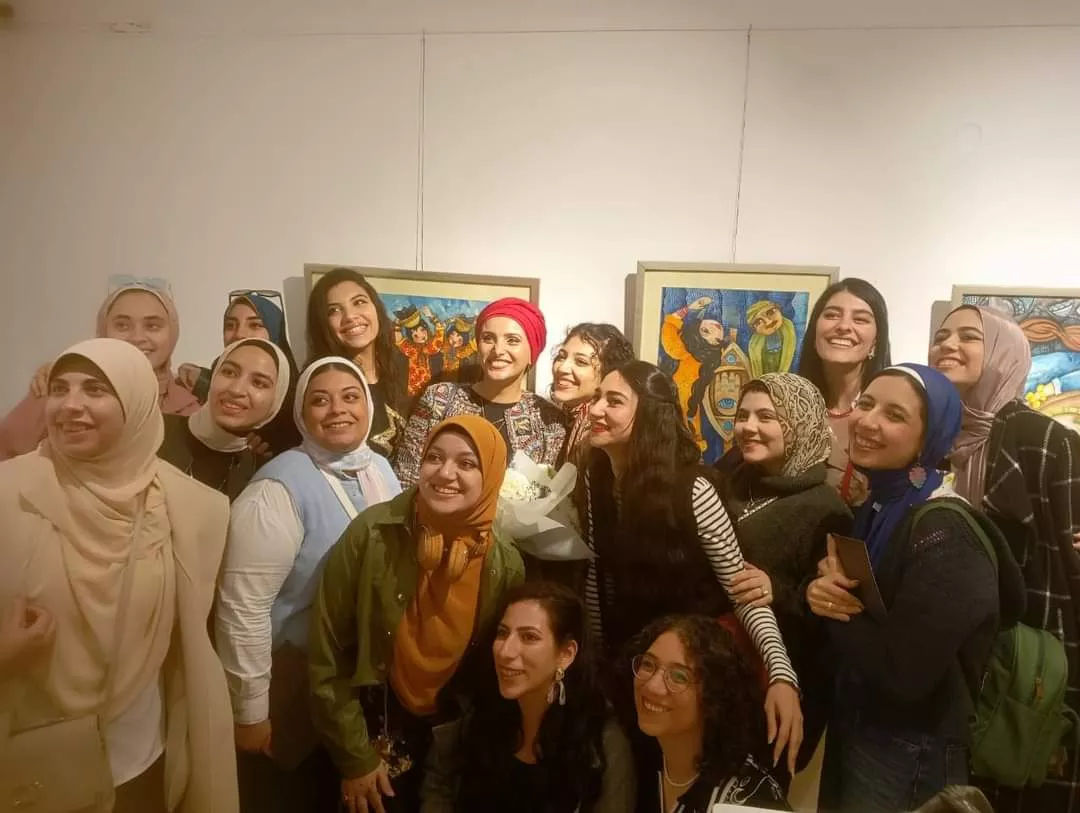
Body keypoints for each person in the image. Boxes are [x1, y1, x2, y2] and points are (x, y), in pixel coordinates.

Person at [0, 338, 238, 812]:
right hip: (31, 767)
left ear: (136, 402)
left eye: (94, 389)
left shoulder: (193, 509)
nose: (71, 405)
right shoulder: (9, 494)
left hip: (141, 758)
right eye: (60, 389)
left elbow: (188, 650)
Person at [806, 363, 1025, 813]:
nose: (868, 421)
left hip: (911, 750)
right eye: (866, 404)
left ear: (929, 438)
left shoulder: (943, 530)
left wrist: (832, 609)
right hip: (864, 726)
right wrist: (821, 591)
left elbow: (905, 675)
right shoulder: (879, 506)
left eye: (895, 415)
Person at [580, 360, 804, 776]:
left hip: (695, 673)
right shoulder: (597, 476)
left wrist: (780, 674)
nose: (595, 409)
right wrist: (595, 667)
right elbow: (597, 580)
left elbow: (743, 590)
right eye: (597, 398)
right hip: (635, 667)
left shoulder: (694, 488)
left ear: (649, 414)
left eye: (613, 401)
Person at [309, 415, 525, 813]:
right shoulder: (371, 534)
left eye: (466, 463)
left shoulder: (505, 563)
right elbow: (328, 652)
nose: (445, 473)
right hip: (372, 731)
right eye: (434, 457)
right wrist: (355, 756)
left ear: (492, 474)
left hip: (455, 744)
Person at [217, 357, 402, 812]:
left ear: (368, 406)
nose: (337, 409)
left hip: (352, 687)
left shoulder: (380, 469)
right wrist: (250, 712)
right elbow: (242, 608)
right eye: (320, 400)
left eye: (350, 397)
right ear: (301, 413)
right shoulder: (278, 488)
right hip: (291, 686)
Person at [930, 304, 1080, 810]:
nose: (948, 345)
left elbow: (1070, 559)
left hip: (1024, 666)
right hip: (949, 661)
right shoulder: (936, 442)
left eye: (969, 336)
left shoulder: (1043, 439)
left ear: (1002, 353)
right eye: (942, 335)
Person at [724, 373, 852, 768]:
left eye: (766, 417)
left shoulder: (825, 509)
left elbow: (831, 615)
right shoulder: (730, 479)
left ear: (800, 425)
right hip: (716, 671)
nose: (748, 427)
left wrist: (776, 590)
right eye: (742, 415)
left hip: (777, 685)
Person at [420, 581, 635, 812]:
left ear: (566, 654)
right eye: (503, 633)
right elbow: (439, 785)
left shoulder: (601, 744)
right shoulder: (483, 714)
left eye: (529, 637)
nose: (505, 651)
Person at [0, 279, 200, 461]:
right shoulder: (59, 392)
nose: (137, 337)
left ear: (173, 333)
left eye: (153, 326)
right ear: (103, 331)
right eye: (122, 325)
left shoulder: (190, 404)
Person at [621, 615, 791, 812]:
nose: (652, 687)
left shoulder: (753, 797)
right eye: (648, 664)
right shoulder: (639, 761)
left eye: (678, 676)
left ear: (715, 696)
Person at [392, 298, 567, 487]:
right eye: (488, 338)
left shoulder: (549, 420)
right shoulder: (439, 398)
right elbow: (405, 478)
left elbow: (547, 492)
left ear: (532, 352)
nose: (498, 350)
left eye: (512, 340)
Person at [159, 338, 291, 501]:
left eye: (258, 383)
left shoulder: (262, 476)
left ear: (276, 400)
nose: (236, 390)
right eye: (229, 373)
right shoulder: (156, 430)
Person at [796, 278, 891, 505]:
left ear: (875, 342)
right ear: (814, 333)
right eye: (832, 315)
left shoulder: (893, 415)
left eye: (860, 319)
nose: (843, 326)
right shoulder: (786, 408)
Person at [177, 290, 302, 457]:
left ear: (275, 331)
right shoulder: (212, 375)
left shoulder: (298, 401)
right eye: (230, 325)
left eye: (255, 325)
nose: (239, 334)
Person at [307, 267, 410, 459]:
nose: (350, 316)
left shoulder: (402, 366)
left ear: (376, 307)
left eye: (359, 302)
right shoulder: (319, 382)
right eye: (334, 310)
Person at [549, 322, 635, 466]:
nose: (562, 368)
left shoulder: (604, 430)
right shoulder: (560, 418)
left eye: (581, 362)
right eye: (561, 357)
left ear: (608, 373)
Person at [660, 296, 725, 449]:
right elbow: (669, 328)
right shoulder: (681, 352)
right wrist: (688, 309)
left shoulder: (709, 360)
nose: (714, 326)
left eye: (716, 331)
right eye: (706, 330)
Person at [395, 305, 445, 396]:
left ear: (427, 329)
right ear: (411, 337)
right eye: (415, 335)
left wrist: (431, 317)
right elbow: (399, 340)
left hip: (427, 387)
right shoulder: (411, 349)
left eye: (422, 330)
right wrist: (397, 325)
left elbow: (440, 333)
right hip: (413, 388)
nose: (421, 335)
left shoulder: (429, 347)